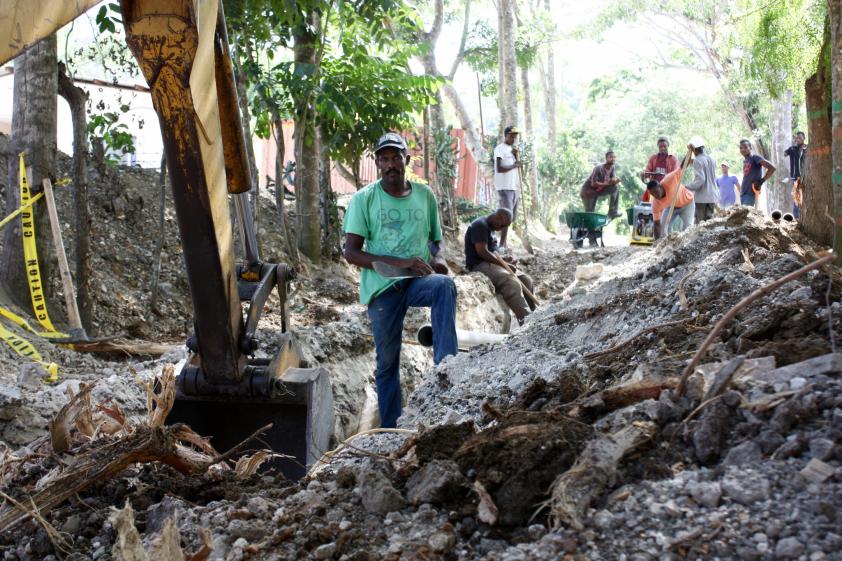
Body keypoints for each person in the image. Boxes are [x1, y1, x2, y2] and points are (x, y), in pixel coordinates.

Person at [343, 132, 457, 428]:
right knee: (387, 362)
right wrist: (400, 262)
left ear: (407, 160)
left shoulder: (425, 196)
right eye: (385, 158)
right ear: (378, 163)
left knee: (444, 286)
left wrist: (440, 259)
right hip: (383, 289)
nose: (391, 163)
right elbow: (351, 253)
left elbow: (436, 241)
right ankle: (390, 428)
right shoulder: (364, 199)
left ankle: (446, 368)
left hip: (418, 282)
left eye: (396, 157)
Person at [464, 209, 535, 324]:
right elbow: (482, 252)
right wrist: (504, 264)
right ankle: (527, 322)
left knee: (526, 280)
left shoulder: (490, 228)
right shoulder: (480, 225)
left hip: (491, 263)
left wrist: (506, 260)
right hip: (479, 264)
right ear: (498, 218)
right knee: (511, 282)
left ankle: (535, 317)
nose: (501, 229)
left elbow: (493, 252)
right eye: (502, 225)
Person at [646, 168, 695, 238]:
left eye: (656, 192)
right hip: (671, 206)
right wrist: (656, 242)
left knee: (688, 227)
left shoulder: (669, 179)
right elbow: (656, 224)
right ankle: (667, 244)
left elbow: (682, 167)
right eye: (653, 194)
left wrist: (688, 158)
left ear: (660, 186)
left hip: (687, 203)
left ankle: (685, 245)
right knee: (663, 228)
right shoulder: (655, 204)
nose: (655, 196)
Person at [494, 125, 522, 248]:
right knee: (506, 217)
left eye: (515, 137)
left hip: (513, 188)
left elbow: (519, 170)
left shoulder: (513, 150)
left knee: (512, 218)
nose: (513, 139)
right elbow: (499, 168)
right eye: (511, 136)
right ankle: (501, 245)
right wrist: (514, 165)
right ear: (505, 136)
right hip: (504, 188)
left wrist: (516, 158)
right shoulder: (500, 149)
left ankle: (502, 243)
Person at [685, 137, 718, 222]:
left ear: (694, 149)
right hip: (712, 196)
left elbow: (701, 179)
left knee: (700, 224)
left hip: (702, 197)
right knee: (710, 223)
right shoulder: (711, 159)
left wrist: (687, 187)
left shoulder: (698, 160)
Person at [580, 150, 622, 219]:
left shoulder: (612, 167)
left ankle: (612, 212)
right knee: (589, 213)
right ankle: (585, 228)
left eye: (614, 157)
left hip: (597, 191)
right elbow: (593, 184)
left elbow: (612, 179)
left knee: (615, 187)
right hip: (588, 192)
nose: (613, 159)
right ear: (606, 158)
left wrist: (615, 180)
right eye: (611, 157)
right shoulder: (599, 168)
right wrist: (607, 183)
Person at [739, 139, 776, 207]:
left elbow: (772, 168)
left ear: (750, 148)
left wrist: (761, 181)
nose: (743, 149)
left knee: (747, 216)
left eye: (745, 147)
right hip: (743, 193)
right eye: (741, 148)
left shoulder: (755, 158)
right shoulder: (745, 161)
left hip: (751, 193)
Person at [784, 131, 807, 219]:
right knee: (797, 196)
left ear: (804, 139)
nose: (798, 139)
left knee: (805, 195)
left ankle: (803, 216)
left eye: (800, 138)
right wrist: (788, 151)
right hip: (796, 176)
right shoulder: (792, 148)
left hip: (806, 176)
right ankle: (796, 217)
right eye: (797, 138)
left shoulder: (807, 148)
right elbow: (785, 154)